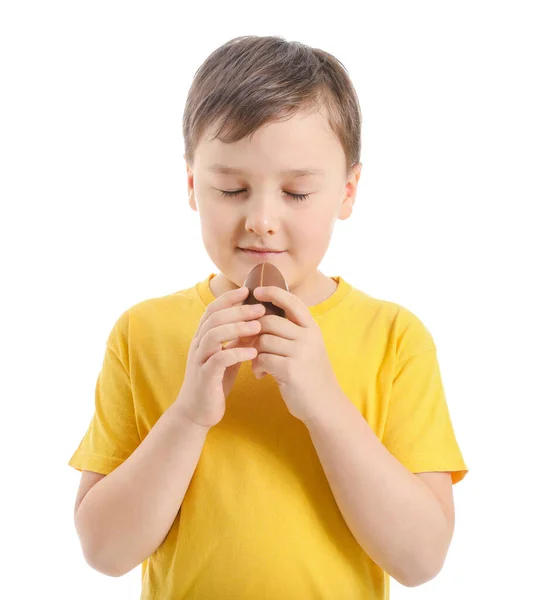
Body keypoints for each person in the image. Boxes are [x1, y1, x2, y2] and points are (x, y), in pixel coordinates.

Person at [68, 35, 468, 599]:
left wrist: (325, 403)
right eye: (231, 188)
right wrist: (187, 415)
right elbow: (105, 553)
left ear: (347, 191)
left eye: (297, 193)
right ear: (191, 185)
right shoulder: (143, 333)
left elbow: (421, 559)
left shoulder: (395, 338)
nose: (261, 219)